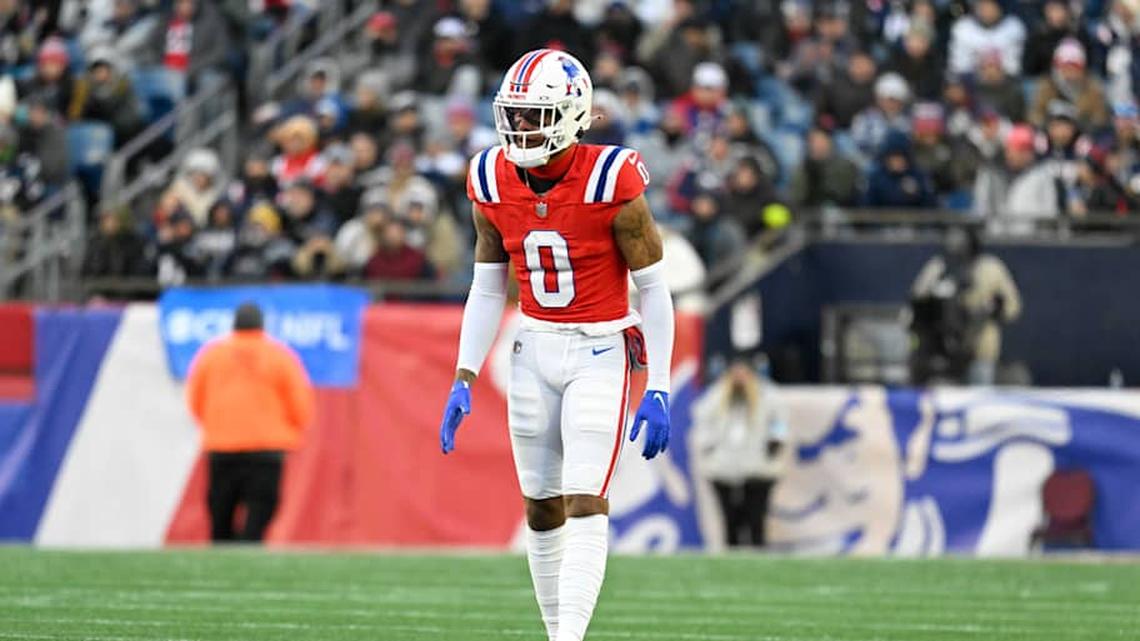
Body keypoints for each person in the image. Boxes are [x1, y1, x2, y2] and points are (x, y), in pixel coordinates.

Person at [437, 50, 674, 641]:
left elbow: (654, 288)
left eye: (534, 115)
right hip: (533, 346)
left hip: (599, 348)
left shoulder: (610, 177)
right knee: (540, 505)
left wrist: (659, 385)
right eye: (513, 115)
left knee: (585, 498)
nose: (520, 128)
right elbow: (487, 287)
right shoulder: (488, 177)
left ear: (571, 114)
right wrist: (464, 375)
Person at [186, 302, 315, 542]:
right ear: (262, 326)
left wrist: (216, 425)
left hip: (222, 448)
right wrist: (291, 429)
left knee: (221, 515)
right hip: (267, 450)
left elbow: (195, 399)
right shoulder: (280, 356)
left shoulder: (212, 355)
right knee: (260, 511)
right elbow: (300, 404)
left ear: (234, 325)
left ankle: (223, 554)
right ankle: (250, 545)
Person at [691, 356, 789, 548]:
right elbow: (702, 422)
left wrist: (775, 443)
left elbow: (779, 422)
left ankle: (758, 555)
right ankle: (732, 555)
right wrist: (708, 446)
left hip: (758, 467)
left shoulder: (767, 396)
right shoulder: (716, 396)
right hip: (723, 467)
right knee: (730, 520)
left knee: (756, 519)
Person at [910, 227, 1022, 385]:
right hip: (943, 351)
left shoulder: (990, 268)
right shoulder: (939, 266)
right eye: (952, 240)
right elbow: (917, 298)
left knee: (979, 393)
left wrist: (992, 309)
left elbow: (1012, 307)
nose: (957, 246)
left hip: (980, 348)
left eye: (961, 241)